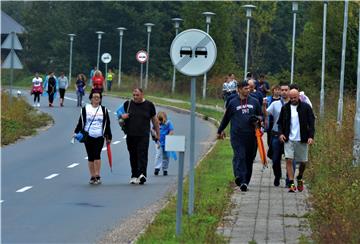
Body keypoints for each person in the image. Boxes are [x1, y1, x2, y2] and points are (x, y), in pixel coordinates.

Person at [217, 80, 263, 192]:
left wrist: (257, 119)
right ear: (239, 89)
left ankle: (245, 182)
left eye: (249, 88)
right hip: (237, 136)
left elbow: (261, 116)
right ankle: (240, 178)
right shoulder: (232, 102)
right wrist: (220, 130)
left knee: (249, 159)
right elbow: (226, 118)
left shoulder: (255, 101)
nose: (248, 90)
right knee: (240, 156)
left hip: (252, 136)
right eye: (245, 88)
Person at [118, 88, 160, 185]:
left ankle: (142, 175)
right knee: (133, 155)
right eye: (134, 95)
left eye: (137, 95)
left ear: (142, 95)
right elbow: (119, 117)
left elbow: (155, 120)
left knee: (142, 154)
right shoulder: (127, 104)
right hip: (130, 134)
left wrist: (158, 134)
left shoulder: (149, 105)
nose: (135, 97)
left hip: (143, 135)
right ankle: (134, 175)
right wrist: (122, 117)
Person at [278, 88, 315, 192]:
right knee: (289, 160)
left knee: (303, 162)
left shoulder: (306, 108)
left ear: (299, 96)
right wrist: (281, 134)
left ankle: (299, 177)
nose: (293, 99)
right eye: (291, 98)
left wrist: (311, 137)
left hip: (302, 139)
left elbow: (311, 123)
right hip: (289, 139)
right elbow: (280, 123)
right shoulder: (285, 108)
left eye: (295, 97)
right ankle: (291, 183)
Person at [73, 91, 112, 184]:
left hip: (99, 135)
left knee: (97, 154)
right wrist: (75, 132)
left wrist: (108, 136)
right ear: (91, 98)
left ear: (100, 99)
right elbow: (80, 122)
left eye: (98, 97)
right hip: (88, 136)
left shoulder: (104, 110)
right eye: (94, 97)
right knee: (90, 156)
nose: (96, 99)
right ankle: (92, 176)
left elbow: (107, 124)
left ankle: (97, 175)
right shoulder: (85, 109)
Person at [262, 83, 290, 187]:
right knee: (275, 159)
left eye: (286, 90)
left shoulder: (294, 104)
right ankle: (277, 176)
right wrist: (264, 105)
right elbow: (266, 114)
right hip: (276, 134)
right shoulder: (275, 104)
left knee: (290, 159)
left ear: (289, 91)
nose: (283, 92)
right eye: (282, 90)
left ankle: (289, 180)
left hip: (289, 135)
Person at [153, 111, 174, 176]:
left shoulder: (168, 123)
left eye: (161, 120)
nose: (160, 122)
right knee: (158, 154)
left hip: (166, 142)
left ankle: (165, 169)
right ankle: (157, 168)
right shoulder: (156, 123)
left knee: (166, 156)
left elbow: (171, 130)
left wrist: (169, 136)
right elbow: (153, 130)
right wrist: (155, 136)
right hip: (158, 142)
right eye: (158, 120)